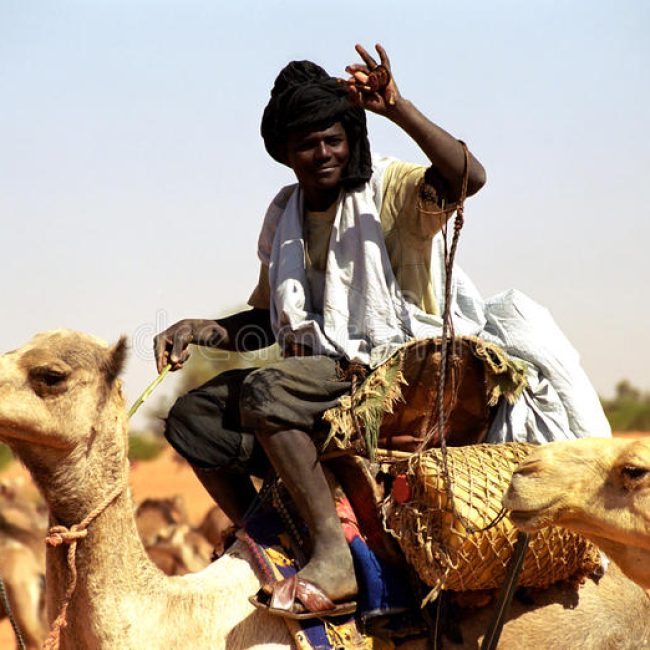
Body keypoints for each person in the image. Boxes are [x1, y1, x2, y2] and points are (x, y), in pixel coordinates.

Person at [154, 43, 609, 619]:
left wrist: (397, 108)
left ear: (350, 137)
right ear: (286, 153)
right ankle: (266, 533)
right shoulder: (285, 215)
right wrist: (202, 329)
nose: (323, 153)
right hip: (322, 371)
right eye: (307, 144)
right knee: (191, 417)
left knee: (267, 391)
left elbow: (468, 177)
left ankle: (333, 557)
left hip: (398, 366)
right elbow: (272, 323)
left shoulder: (388, 189)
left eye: (333, 139)